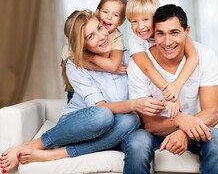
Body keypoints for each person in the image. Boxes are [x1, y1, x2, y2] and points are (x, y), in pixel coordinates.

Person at [0, 10, 166, 174]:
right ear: (82, 44)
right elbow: (102, 106)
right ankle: (31, 146)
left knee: (131, 120)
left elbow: (162, 47)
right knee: (103, 115)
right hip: (81, 125)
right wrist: (133, 104)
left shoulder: (131, 58)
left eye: (100, 28)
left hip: (117, 130)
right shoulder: (76, 65)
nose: (101, 36)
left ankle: (55, 155)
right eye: (90, 36)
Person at [124, 4, 218, 173]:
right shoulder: (138, 65)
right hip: (154, 132)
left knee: (217, 138)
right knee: (137, 141)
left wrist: (184, 132)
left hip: (193, 129)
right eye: (160, 34)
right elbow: (148, 123)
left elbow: (212, 112)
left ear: (186, 32)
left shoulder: (205, 55)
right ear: (153, 33)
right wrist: (178, 120)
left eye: (174, 32)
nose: (167, 42)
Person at [125, 0, 199, 118]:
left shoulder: (172, 31)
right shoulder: (135, 39)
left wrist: (176, 85)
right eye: (134, 21)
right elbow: (147, 68)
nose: (140, 26)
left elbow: (194, 57)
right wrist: (170, 95)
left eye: (145, 20)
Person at [62, 0, 128, 102]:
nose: (109, 17)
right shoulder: (80, 35)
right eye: (105, 12)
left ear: (121, 21)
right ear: (97, 12)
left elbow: (113, 65)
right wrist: (92, 60)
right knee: (75, 98)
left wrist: (89, 57)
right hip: (77, 80)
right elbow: (73, 61)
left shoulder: (116, 37)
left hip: (101, 85)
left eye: (115, 15)